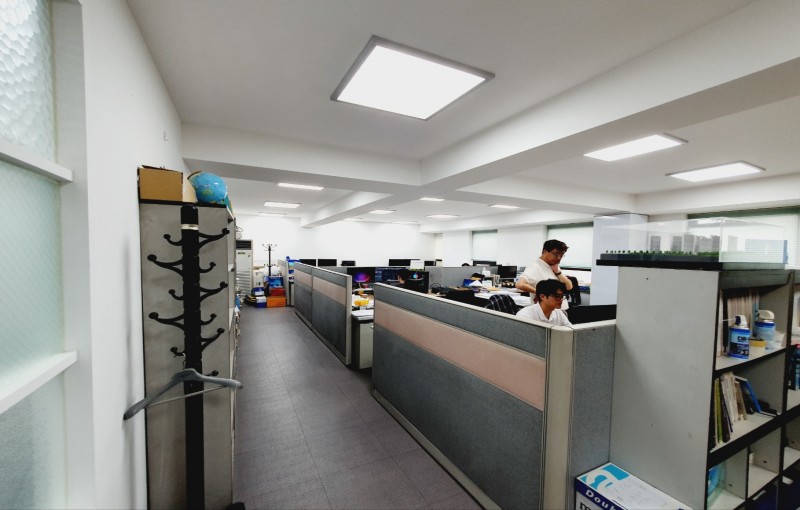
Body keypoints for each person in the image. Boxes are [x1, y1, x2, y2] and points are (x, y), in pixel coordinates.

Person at [516, 239, 573, 309]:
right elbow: (520, 284)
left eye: (561, 255)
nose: (559, 258)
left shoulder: (554, 266)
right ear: (545, 251)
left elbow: (569, 287)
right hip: (545, 310)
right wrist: (540, 293)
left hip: (561, 309)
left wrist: (558, 272)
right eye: (556, 254)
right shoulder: (535, 267)